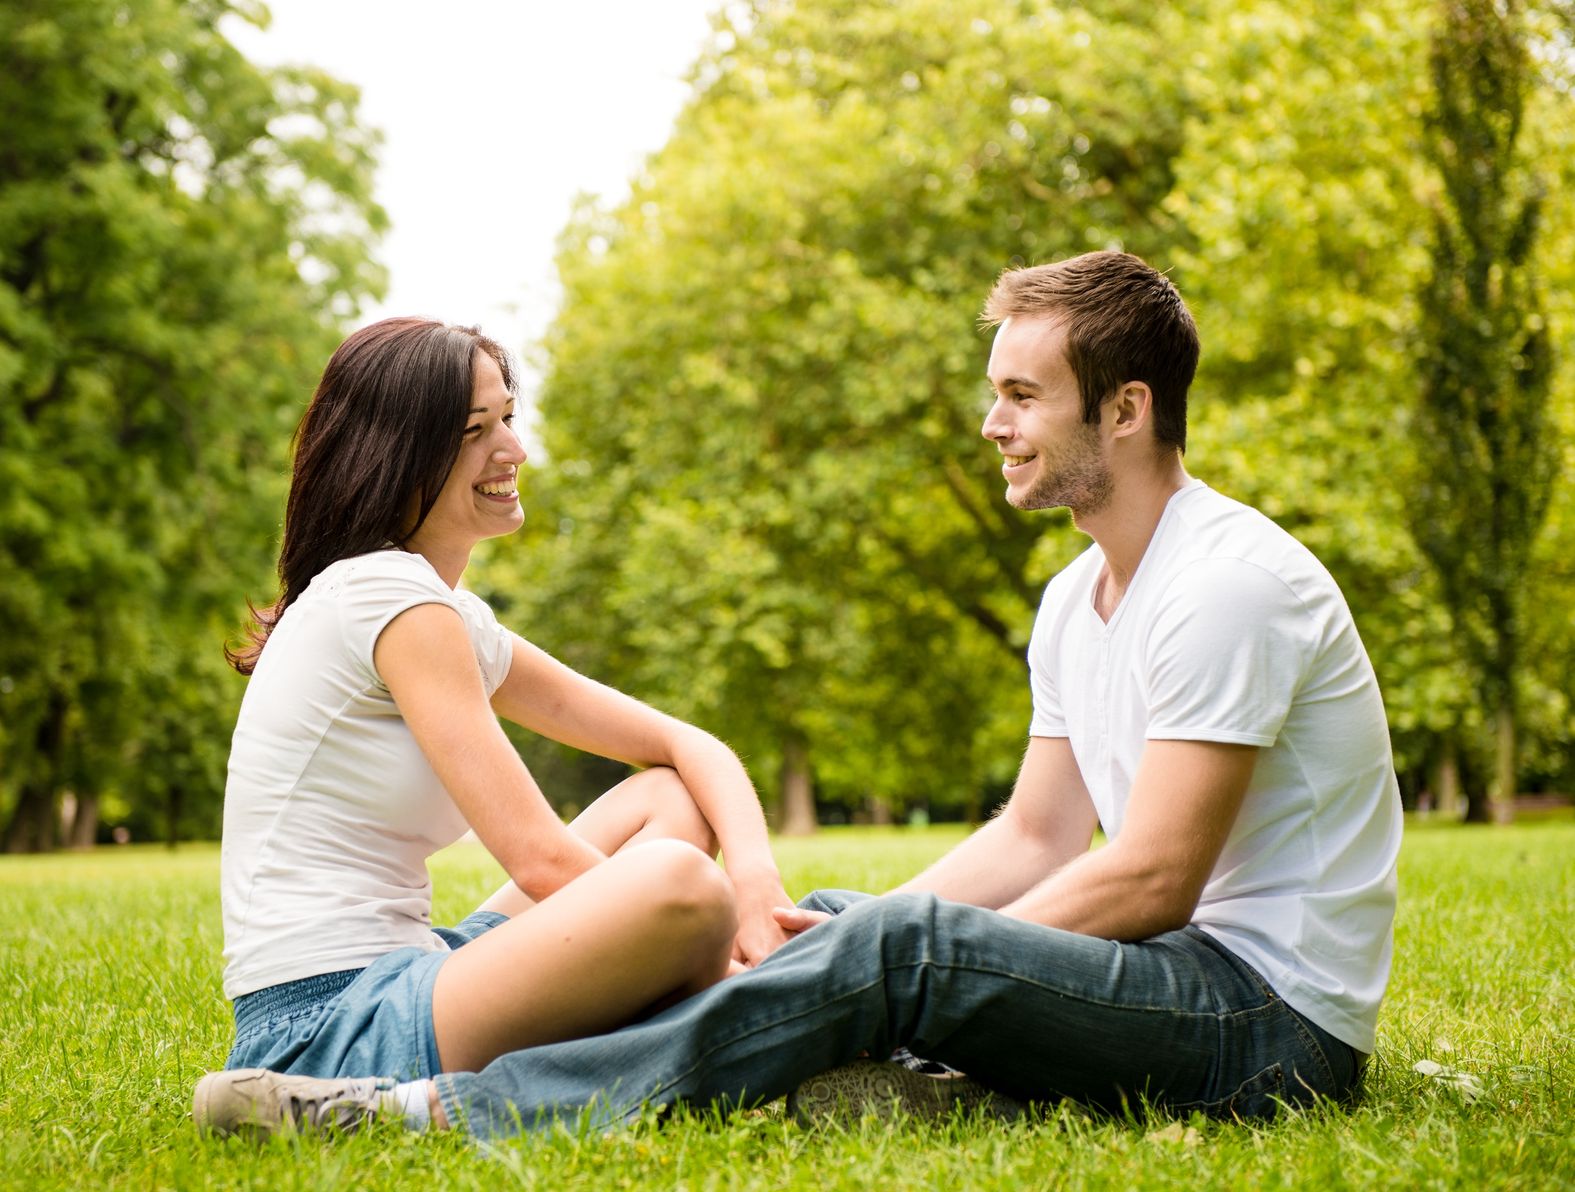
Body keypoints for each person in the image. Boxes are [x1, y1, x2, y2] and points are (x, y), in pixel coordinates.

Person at [194, 253, 1401, 1138]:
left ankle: (440, 1111)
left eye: (1023, 396)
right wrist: (838, 934)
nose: (992, 423)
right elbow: (1034, 835)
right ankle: (855, 1043)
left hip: (1262, 1018)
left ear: (1125, 408)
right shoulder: (1075, 601)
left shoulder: (1227, 583)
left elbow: (1152, 876)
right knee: (838, 919)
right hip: (1167, 968)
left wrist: (884, 956)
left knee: (885, 944)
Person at [194, 318, 794, 1128]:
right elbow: (542, 860)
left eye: (506, 417)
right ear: (396, 455)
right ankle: (393, 1107)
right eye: (475, 432)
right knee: (681, 886)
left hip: (414, 969)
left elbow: (686, 747)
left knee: (665, 803)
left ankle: (668, 1016)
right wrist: (731, 960)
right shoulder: (387, 595)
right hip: (325, 1028)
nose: (511, 450)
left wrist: (756, 888)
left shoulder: (442, 612)